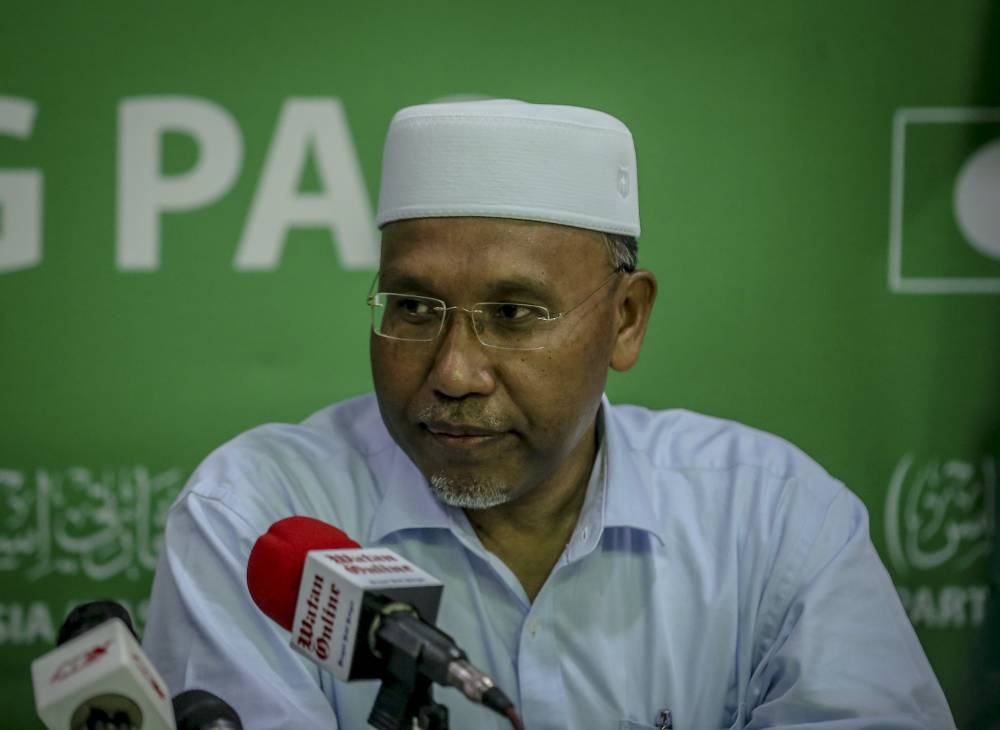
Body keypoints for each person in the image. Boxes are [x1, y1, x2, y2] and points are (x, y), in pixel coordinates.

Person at [143, 99, 955, 730]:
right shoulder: (259, 521)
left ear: (626, 320)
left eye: (514, 314)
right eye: (415, 307)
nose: (454, 372)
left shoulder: (774, 522)